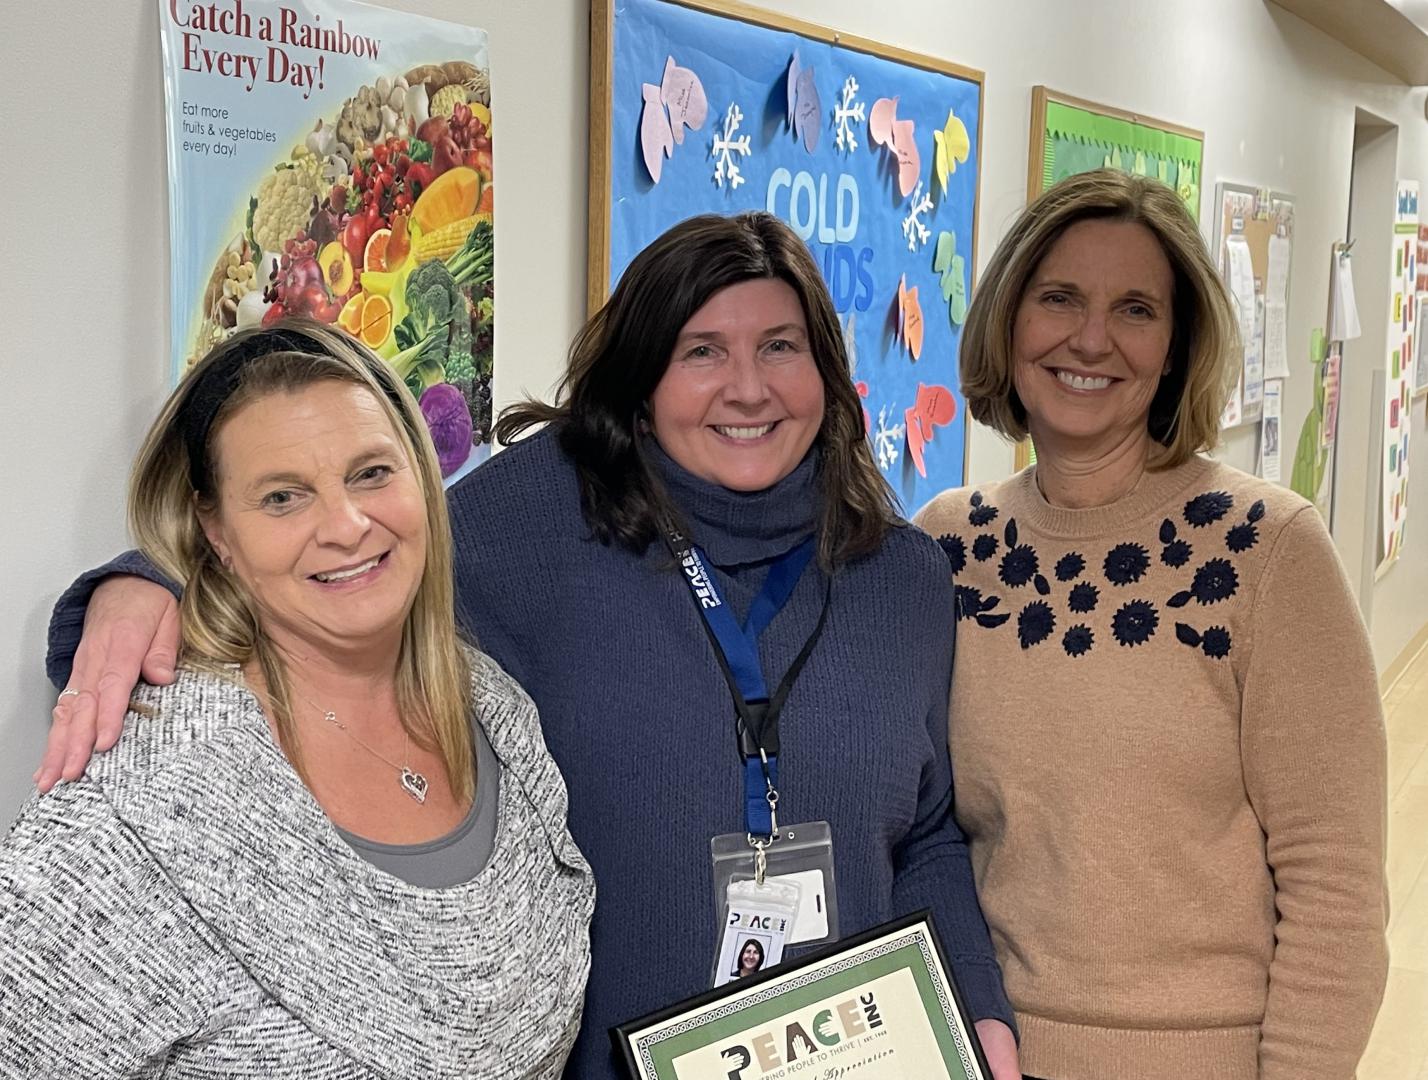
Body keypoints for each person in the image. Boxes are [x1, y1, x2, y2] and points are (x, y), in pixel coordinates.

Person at [37, 213, 1019, 1079]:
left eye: (780, 347)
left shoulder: (902, 578)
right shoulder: (539, 519)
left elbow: (929, 832)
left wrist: (978, 1013)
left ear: (828, 372)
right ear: (642, 380)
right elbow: (351, 542)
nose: (748, 388)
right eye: (701, 352)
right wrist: (144, 583)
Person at [3, 324, 593, 1077]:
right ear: (216, 530)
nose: (346, 526)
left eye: (371, 473)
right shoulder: (137, 805)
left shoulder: (498, 712)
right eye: (283, 497)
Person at [915, 169, 1388, 1080]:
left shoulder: (1265, 550)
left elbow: (1335, 889)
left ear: (1175, 348)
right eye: (1059, 298)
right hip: (982, 1049)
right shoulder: (948, 545)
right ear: (1009, 319)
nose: (1091, 339)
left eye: (1136, 309)